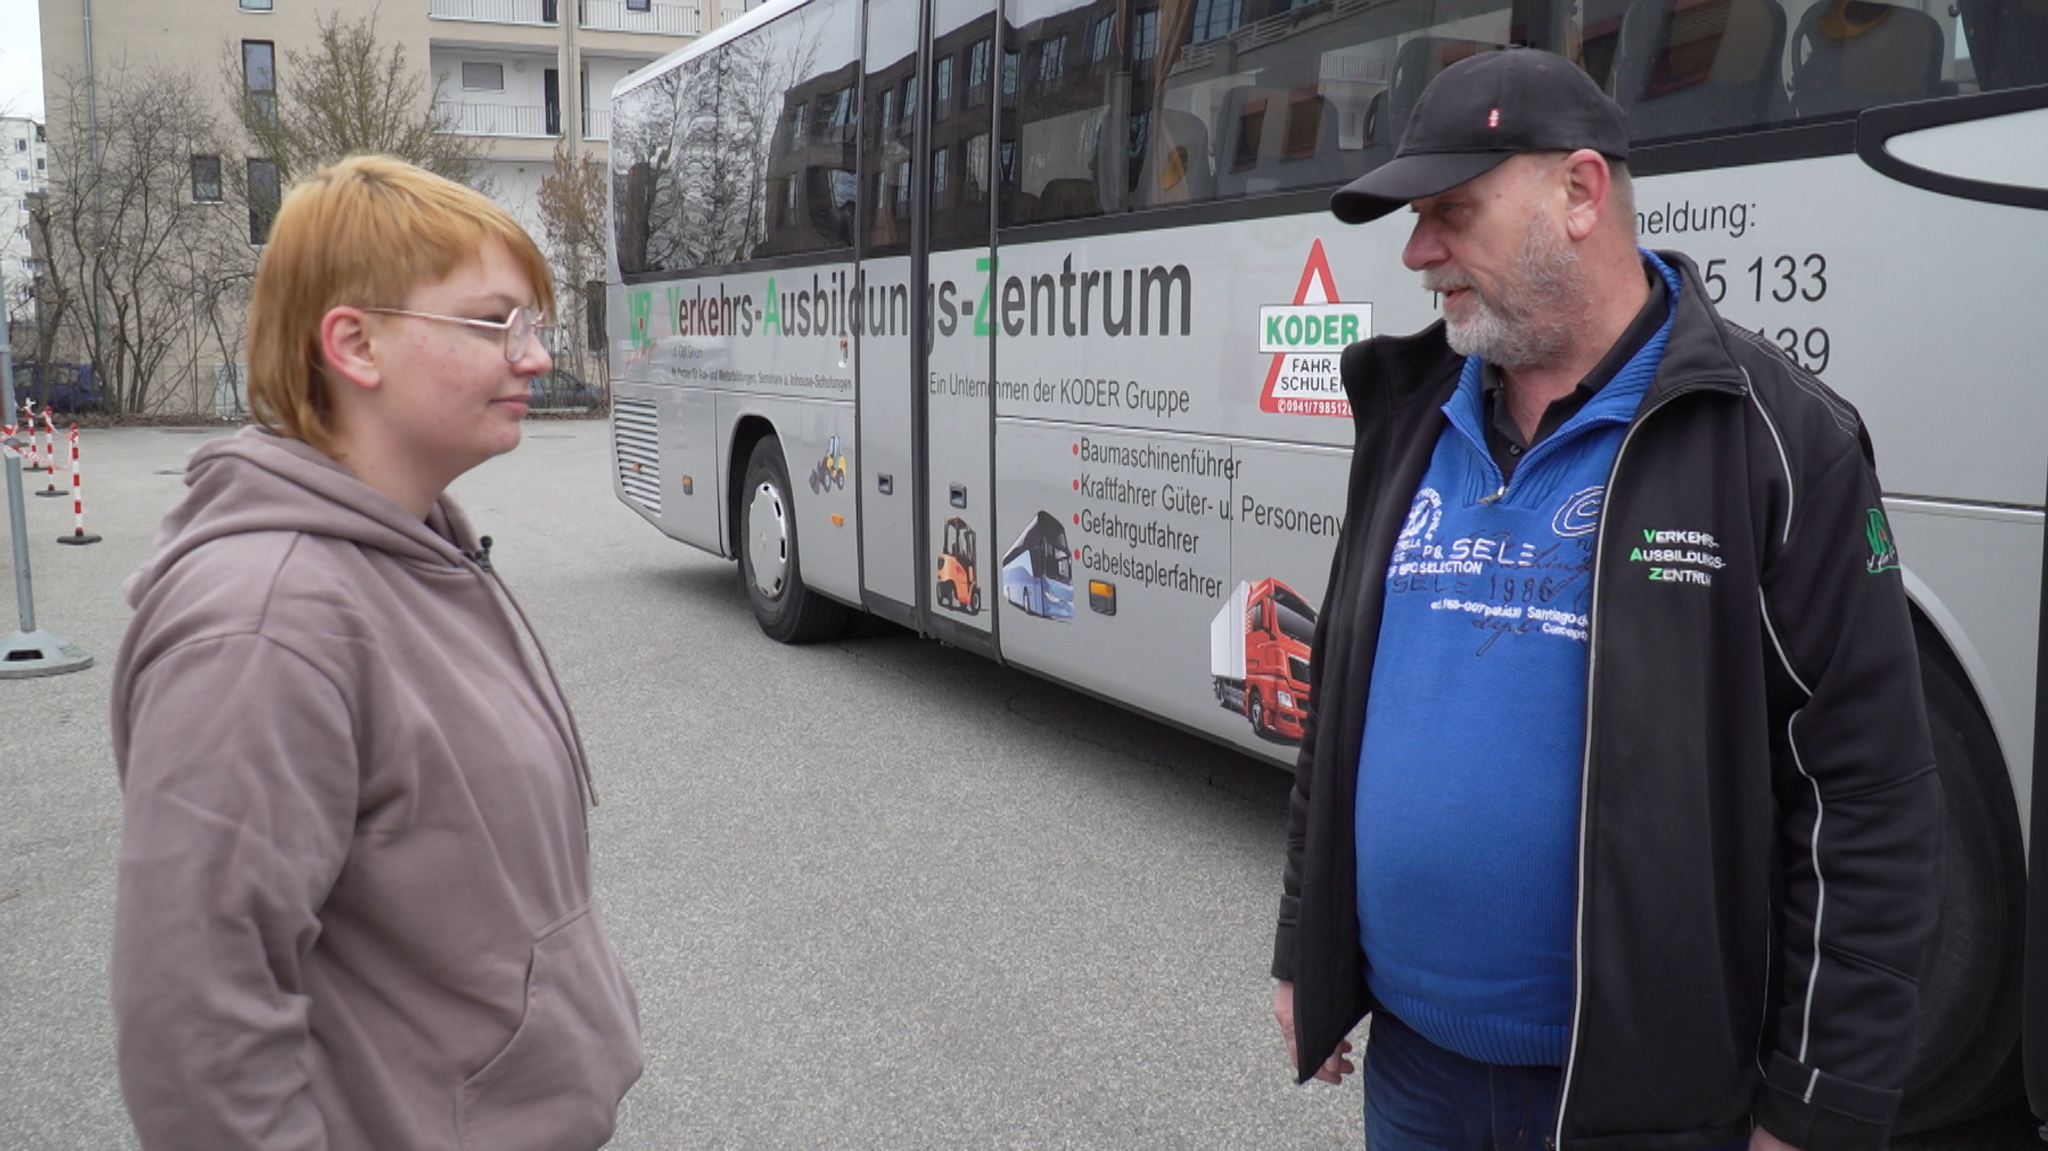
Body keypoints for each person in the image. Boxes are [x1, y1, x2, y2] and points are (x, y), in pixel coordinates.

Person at [1269, 48, 1941, 1151]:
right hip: (1412, 1075)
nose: (1415, 251)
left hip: (1636, 1102)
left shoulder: (1777, 439)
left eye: (1450, 211)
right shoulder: (1407, 413)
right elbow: (1338, 700)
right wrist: (1308, 947)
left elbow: (1866, 794)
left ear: (1579, 193)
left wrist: (1814, 1105)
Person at [109, 155, 643, 1150]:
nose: (532, 357)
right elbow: (195, 1026)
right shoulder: (267, 626)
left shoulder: (420, 543)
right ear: (353, 343)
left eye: (534, 323)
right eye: (494, 323)